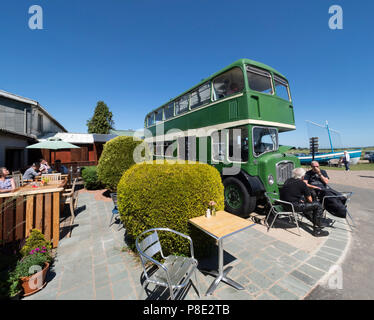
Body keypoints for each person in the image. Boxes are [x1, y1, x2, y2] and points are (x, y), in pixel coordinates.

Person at [280, 167, 328, 237]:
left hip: (284, 205)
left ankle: (317, 223)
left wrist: (299, 199)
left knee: (305, 205)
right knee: (317, 205)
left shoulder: (288, 180)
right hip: (293, 207)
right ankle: (317, 230)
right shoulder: (302, 184)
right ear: (302, 176)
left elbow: (290, 193)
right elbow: (310, 200)